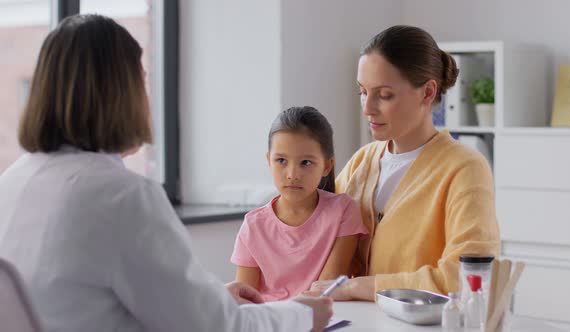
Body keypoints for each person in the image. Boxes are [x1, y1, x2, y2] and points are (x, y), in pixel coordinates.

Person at [0, 14, 332, 332]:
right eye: (142, 81)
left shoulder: (10, 183)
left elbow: (89, 300)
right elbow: (219, 328)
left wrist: (210, 298)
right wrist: (301, 315)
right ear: (123, 94)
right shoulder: (121, 197)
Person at [309, 25, 500, 301]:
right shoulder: (361, 163)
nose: (367, 107)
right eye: (362, 91)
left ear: (427, 93)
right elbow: (318, 243)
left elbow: (467, 276)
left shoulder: (465, 168)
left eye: (384, 95)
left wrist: (359, 287)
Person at [231, 106, 368, 301]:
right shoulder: (253, 226)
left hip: (322, 317)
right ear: (269, 160)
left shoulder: (343, 210)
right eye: (281, 160)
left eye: (305, 162)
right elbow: (245, 300)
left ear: (326, 166)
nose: (292, 175)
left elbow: (327, 288)